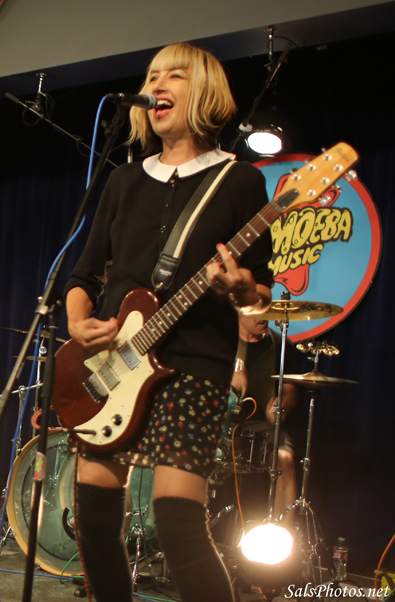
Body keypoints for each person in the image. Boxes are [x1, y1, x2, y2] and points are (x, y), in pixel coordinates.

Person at [63, 42, 273, 602]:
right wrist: (80, 322)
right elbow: (82, 275)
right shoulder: (124, 181)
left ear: (202, 91)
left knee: (178, 524)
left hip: (192, 365)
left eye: (173, 75)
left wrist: (242, 289)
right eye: (152, 75)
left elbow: (260, 293)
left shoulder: (240, 181)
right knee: (94, 523)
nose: (157, 84)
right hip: (113, 366)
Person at [231, 315, 300, 526]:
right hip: (225, 420)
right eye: (256, 310)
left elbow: (290, 391)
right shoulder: (222, 340)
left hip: (263, 425)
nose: (263, 316)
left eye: (266, 309)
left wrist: (281, 407)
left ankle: (282, 535)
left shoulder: (281, 344)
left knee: (284, 459)